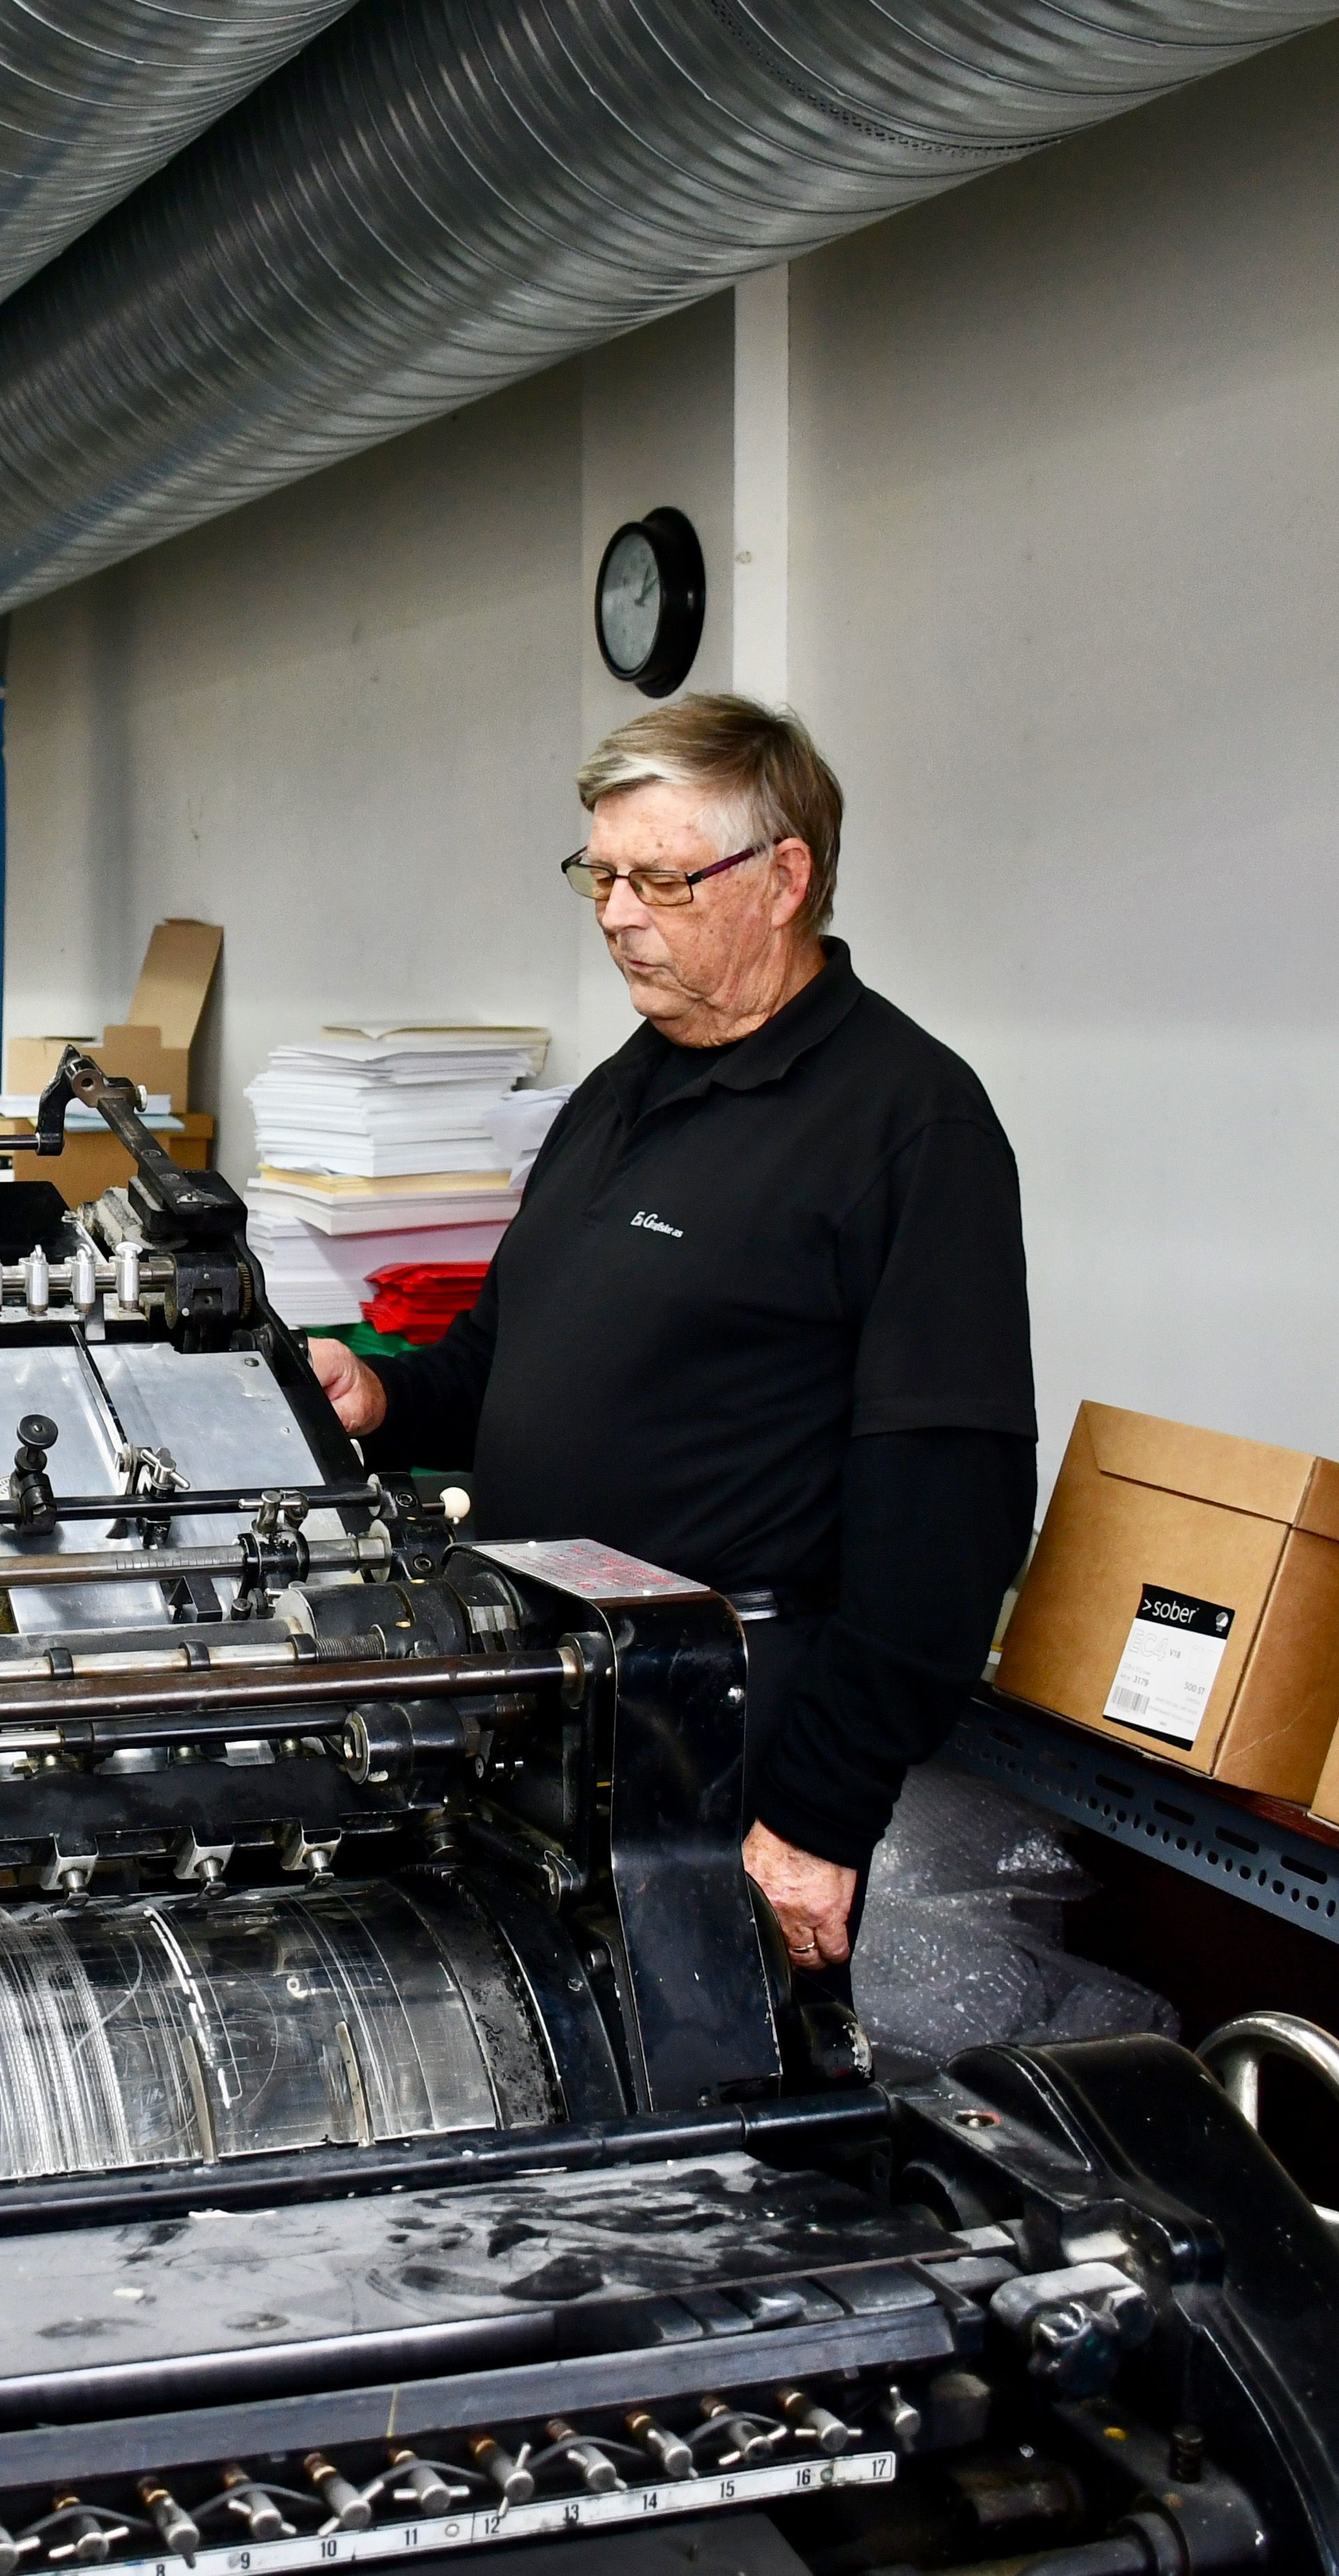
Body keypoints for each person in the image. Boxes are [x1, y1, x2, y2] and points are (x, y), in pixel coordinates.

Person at [308, 695, 1034, 1980]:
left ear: (784, 879)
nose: (616, 915)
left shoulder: (909, 1122)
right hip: (548, 1696)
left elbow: (946, 1512)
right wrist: (386, 1398)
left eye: (660, 880)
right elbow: (505, 1358)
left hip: (721, 1734)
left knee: (698, 2083)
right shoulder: (621, 1088)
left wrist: (820, 1817)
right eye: (599, 875)